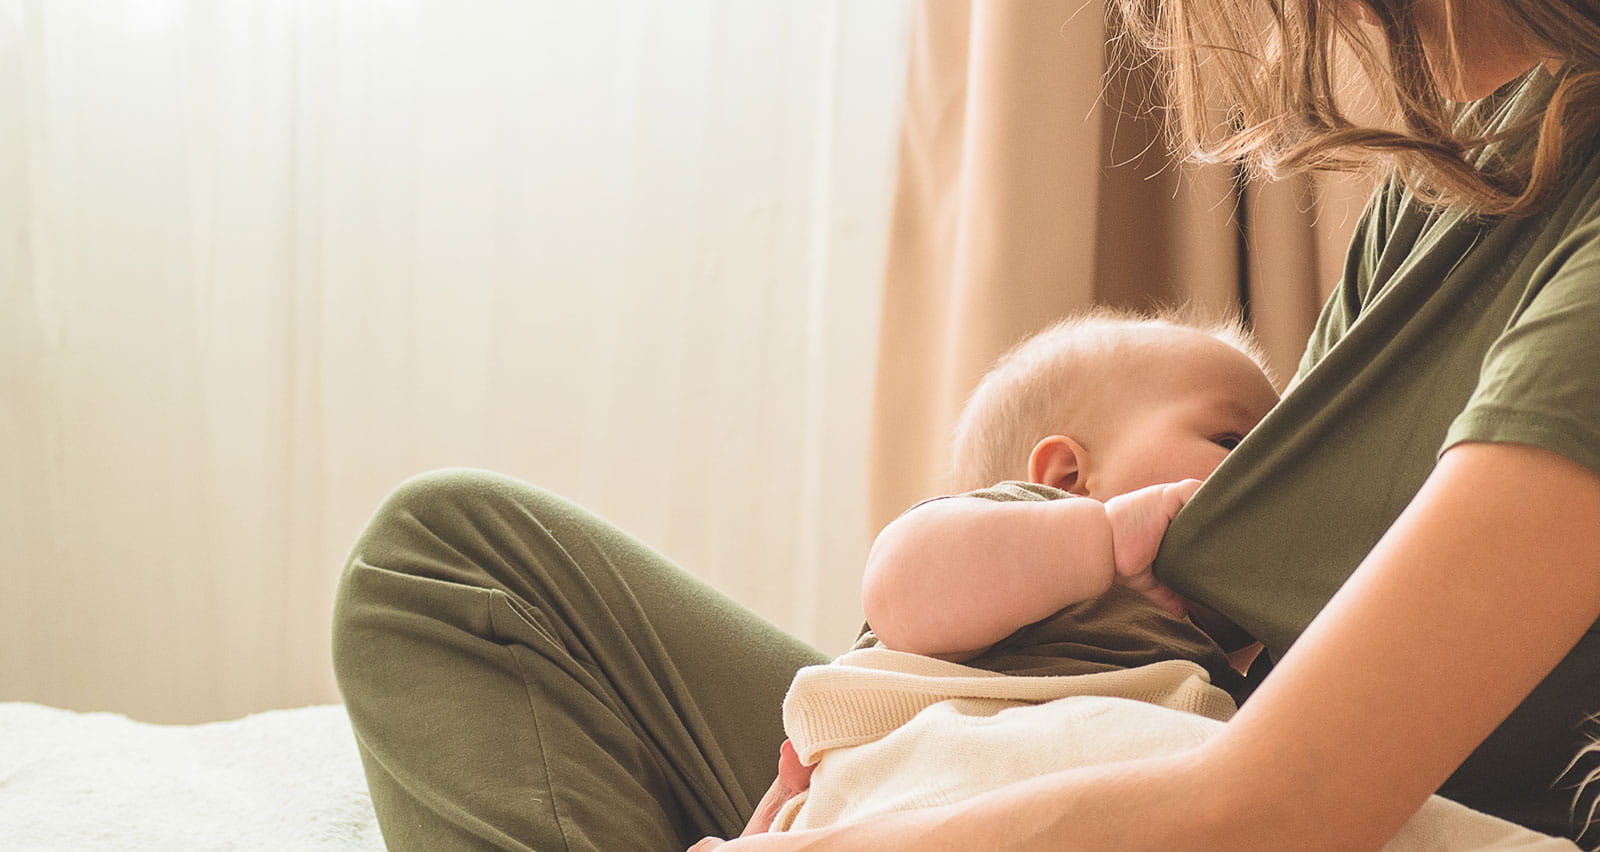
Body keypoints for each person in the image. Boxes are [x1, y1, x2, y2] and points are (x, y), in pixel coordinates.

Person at [332, 1, 1600, 849]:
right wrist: (859, 752)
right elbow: (912, 598)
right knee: (446, 562)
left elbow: (1281, 803)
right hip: (1035, 739)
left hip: (1229, 781)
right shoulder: (1473, 157)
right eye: (1232, 447)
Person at [734, 309, 1281, 836]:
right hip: (925, 794)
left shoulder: (1227, 669)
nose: (1271, 477)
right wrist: (1106, 538)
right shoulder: (1011, 549)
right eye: (1233, 442)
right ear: (1066, 478)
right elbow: (898, 591)